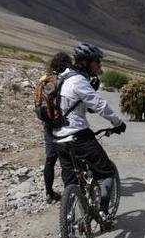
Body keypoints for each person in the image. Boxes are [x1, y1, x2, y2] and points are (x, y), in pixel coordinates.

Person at [53, 43, 126, 222]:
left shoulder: (62, 77)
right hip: (78, 136)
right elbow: (100, 105)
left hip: (58, 138)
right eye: (97, 62)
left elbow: (74, 103)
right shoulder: (79, 80)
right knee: (107, 171)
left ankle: (71, 222)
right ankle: (103, 212)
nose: (99, 66)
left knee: (71, 182)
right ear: (85, 62)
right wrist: (117, 123)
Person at [40, 53, 73, 203]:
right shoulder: (66, 81)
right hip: (63, 125)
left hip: (48, 125)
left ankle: (49, 193)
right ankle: (70, 194)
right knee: (67, 160)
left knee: (50, 160)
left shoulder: (45, 80)